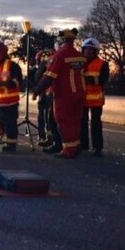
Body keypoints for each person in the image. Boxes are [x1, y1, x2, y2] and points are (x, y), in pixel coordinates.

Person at [31, 28, 87, 159]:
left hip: (64, 94)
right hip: (80, 93)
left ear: (60, 41)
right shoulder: (80, 56)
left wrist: (37, 90)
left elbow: (49, 77)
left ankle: (68, 149)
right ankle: (75, 146)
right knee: (75, 120)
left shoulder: (60, 56)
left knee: (63, 120)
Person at [80, 38, 109, 156]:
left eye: (91, 50)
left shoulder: (102, 64)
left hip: (96, 99)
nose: (88, 52)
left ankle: (98, 147)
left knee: (96, 123)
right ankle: (83, 145)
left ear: (95, 51)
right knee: (82, 122)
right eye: (86, 49)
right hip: (82, 99)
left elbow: (103, 80)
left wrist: (88, 79)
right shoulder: (79, 63)